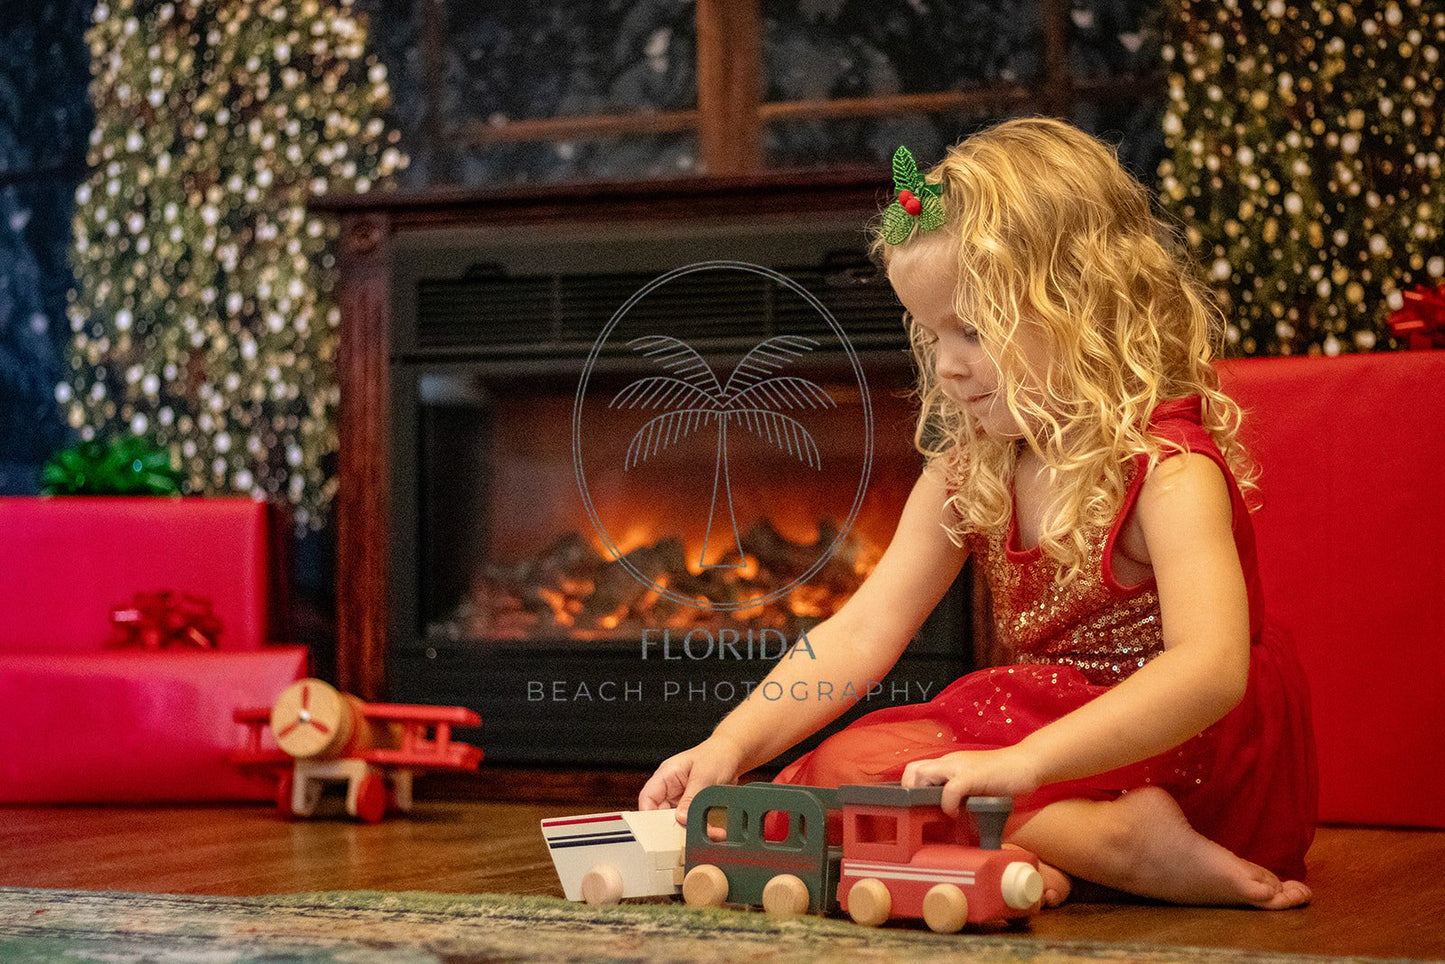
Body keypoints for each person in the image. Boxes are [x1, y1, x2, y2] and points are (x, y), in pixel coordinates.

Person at [638, 118, 1317, 910]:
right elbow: (860, 634)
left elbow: (1209, 672)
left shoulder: (1164, 472)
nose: (949, 366)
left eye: (973, 331)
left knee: (885, 792)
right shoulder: (973, 469)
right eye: (931, 337)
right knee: (839, 773)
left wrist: (1026, 763)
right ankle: (1073, 841)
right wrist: (732, 744)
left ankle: (1110, 839)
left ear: (1082, 305)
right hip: (1038, 730)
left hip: (1189, 753)